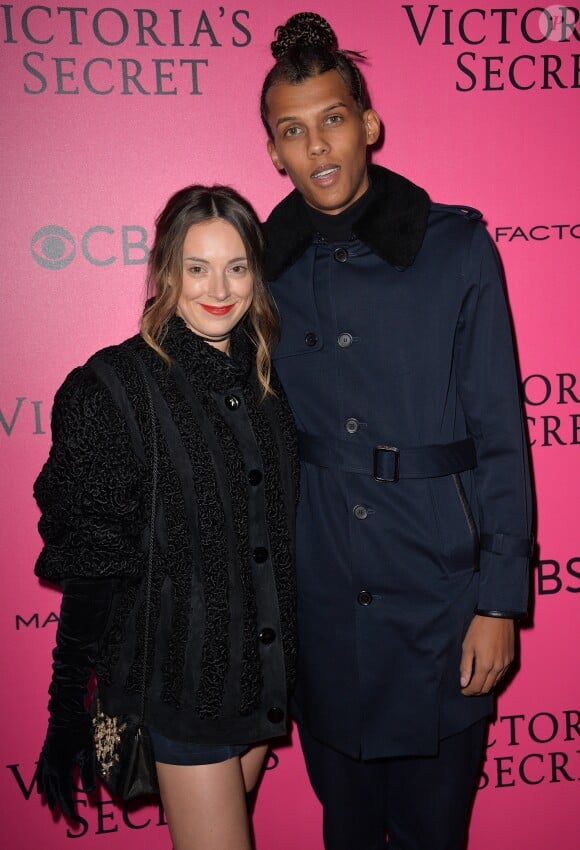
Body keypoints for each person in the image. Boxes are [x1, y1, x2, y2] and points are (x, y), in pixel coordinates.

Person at [260, 12, 533, 850]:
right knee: (345, 831)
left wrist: (498, 600)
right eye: (293, 131)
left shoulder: (456, 249)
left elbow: (500, 432)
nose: (317, 146)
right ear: (275, 152)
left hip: (441, 598)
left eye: (333, 119)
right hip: (321, 601)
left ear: (368, 124)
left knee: (433, 834)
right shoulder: (260, 268)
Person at [34, 184, 298, 850]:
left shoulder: (267, 384)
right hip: (178, 689)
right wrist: (66, 711)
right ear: (165, 272)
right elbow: (92, 566)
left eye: (237, 266)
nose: (220, 287)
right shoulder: (113, 388)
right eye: (197, 266)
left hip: (262, 681)